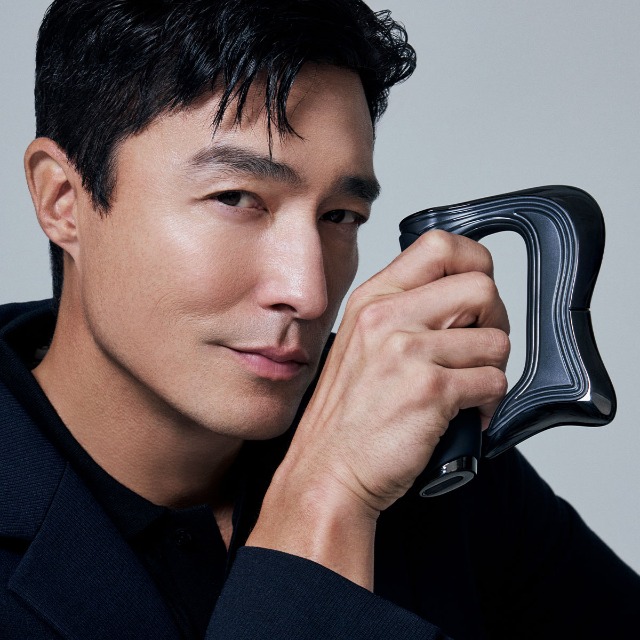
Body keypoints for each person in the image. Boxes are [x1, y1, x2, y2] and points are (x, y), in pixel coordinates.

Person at [1, 1, 638, 638]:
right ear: (63, 200)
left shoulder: (410, 440)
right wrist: (327, 498)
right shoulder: (360, 453)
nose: (308, 293)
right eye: (236, 198)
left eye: (339, 216)